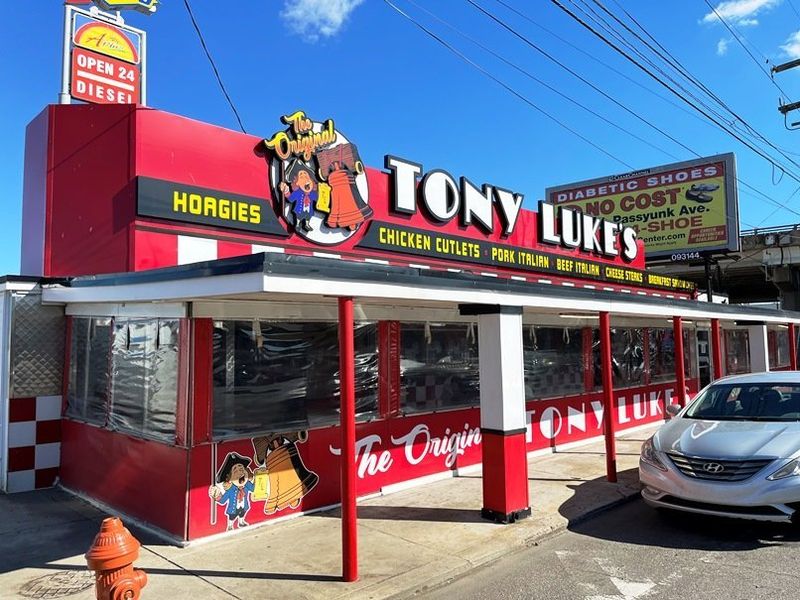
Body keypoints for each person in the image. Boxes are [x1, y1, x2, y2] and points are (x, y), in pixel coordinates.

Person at [279, 160, 318, 232]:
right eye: (302, 177)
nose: (306, 180)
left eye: (307, 177)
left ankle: (307, 224)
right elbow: (290, 199)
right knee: (299, 217)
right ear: (297, 183)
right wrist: (286, 191)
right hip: (299, 210)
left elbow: (317, 199)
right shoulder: (298, 192)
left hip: (309, 209)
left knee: (308, 216)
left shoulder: (312, 193)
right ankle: (297, 224)